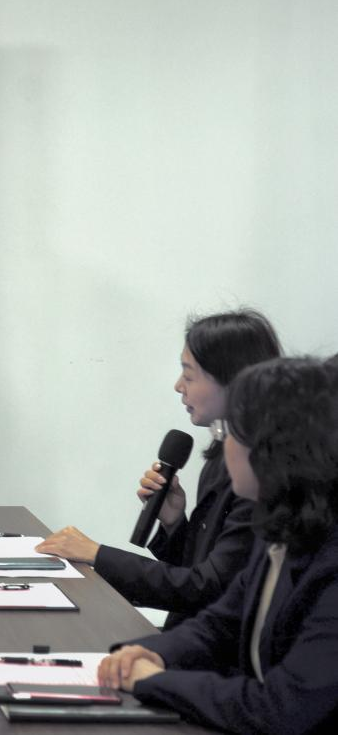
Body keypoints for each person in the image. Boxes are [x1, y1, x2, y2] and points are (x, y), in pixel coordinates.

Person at [99, 357, 338, 734]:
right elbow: (221, 621)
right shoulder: (280, 527)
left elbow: (281, 706)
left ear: (271, 449)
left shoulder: (328, 556)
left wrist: (152, 680)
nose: (224, 445)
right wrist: (152, 652)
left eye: (230, 432)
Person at [37, 309, 281, 628]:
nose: (178, 386)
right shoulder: (220, 459)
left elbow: (208, 588)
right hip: (191, 633)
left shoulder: (261, 475)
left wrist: (97, 554)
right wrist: (174, 523)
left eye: (189, 376)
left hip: (219, 647)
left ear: (232, 382)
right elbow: (198, 570)